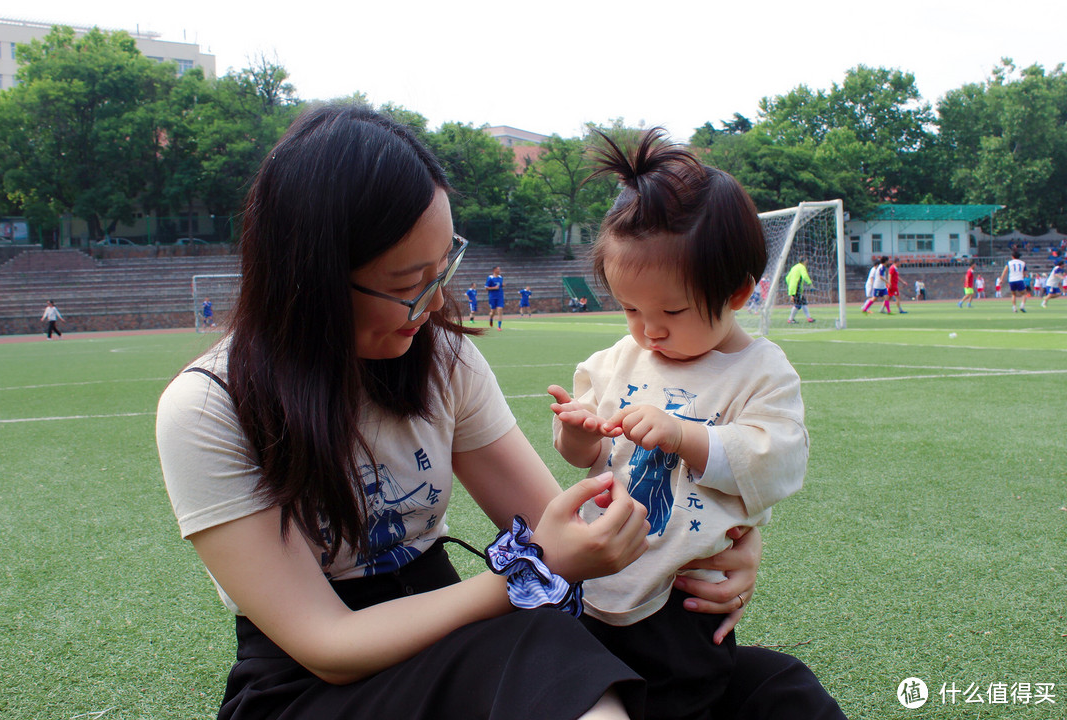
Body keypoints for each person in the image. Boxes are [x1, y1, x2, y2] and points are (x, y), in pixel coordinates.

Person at [155, 105, 786, 720]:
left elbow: (571, 526)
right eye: (409, 284)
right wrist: (532, 572)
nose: (434, 304)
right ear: (312, 276)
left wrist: (713, 542)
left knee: (769, 688)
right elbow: (329, 647)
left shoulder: (440, 361)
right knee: (544, 656)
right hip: (306, 689)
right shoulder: (210, 405)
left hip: (458, 634)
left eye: (442, 270)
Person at [547, 129, 833, 720]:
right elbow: (588, 457)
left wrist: (687, 436)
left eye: (670, 312)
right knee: (584, 680)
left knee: (684, 696)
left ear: (737, 293)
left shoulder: (759, 372)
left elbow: (779, 459)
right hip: (596, 581)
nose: (649, 331)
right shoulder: (616, 363)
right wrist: (577, 432)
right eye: (630, 309)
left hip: (683, 596)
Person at [785, 257, 815, 323]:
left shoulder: (794, 267)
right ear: (804, 262)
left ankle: (809, 318)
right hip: (796, 288)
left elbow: (787, 278)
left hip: (792, 288)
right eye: (806, 262)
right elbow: (805, 276)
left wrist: (791, 286)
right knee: (798, 305)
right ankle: (790, 319)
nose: (806, 263)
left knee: (804, 302)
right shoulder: (801, 267)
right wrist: (810, 284)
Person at [486, 266, 504, 330]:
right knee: (493, 312)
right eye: (498, 269)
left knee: (500, 311)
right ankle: (491, 318)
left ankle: (499, 327)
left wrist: (502, 285)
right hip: (492, 297)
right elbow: (486, 288)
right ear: (494, 270)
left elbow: (500, 285)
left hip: (500, 297)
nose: (499, 271)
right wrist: (494, 288)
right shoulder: (490, 278)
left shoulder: (501, 277)